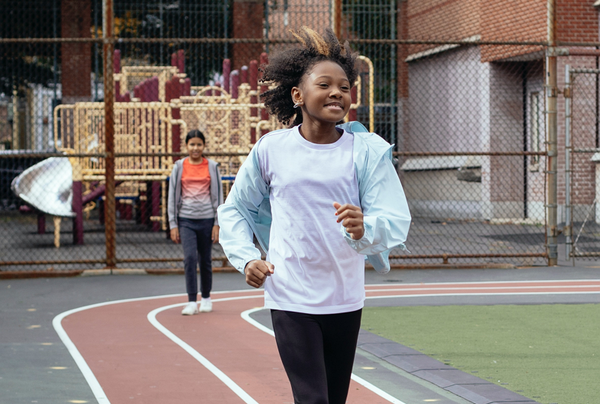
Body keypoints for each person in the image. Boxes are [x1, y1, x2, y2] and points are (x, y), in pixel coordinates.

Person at [217, 27, 411, 403]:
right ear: (297, 95)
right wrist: (245, 258)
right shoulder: (271, 149)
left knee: (333, 399)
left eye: (344, 86)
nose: (336, 92)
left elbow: (394, 218)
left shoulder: (366, 152)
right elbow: (235, 208)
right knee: (313, 399)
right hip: (290, 293)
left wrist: (365, 226)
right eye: (324, 84)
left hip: (345, 295)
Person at [168, 129, 223, 315]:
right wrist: (173, 224)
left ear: (204, 146)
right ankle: (192, 300)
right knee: (190, 258)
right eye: (192, 144)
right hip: (186, 220)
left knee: (205, 260)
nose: (195, 148)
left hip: (207, 219)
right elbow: (172, 196)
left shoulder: (212, 167)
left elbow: (218, 196)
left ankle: (206, 298)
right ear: (186, 146)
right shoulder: (179, 167)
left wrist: (217, 223)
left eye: (199, 144)